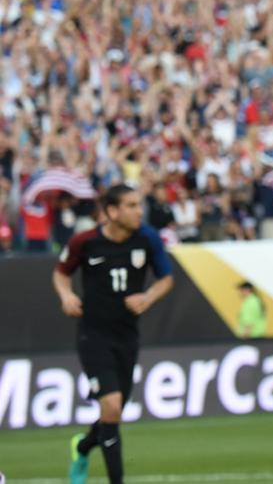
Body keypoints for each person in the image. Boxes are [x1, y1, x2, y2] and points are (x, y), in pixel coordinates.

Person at [54, 184, 175, 484]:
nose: (139, 211)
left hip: (127, 336)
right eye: (131, 205)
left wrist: (148, 297)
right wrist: (66, 296)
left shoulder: (147, 239)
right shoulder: (86, 241)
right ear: (111, 211)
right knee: (111, 406)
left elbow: (166, 279)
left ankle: (82, 447)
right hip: (93, 335)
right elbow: (61, 273)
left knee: (114, 413)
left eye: (139, 204)